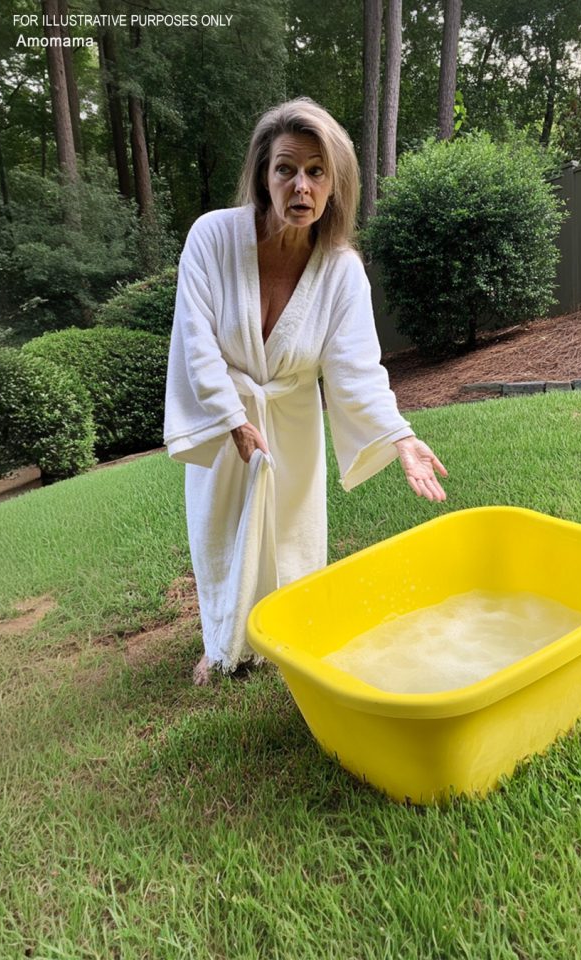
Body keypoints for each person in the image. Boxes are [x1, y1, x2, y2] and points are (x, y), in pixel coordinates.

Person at [164, 98, 448, 685]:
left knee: (291, 532)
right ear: (262, 175)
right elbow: (196, 339)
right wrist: (230, 418)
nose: (301, 186)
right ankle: (221, 643)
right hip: (228, 411)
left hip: (291, 417)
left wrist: (399, 436)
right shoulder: (212, 237)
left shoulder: (341, 269)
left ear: (335, 183)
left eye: (317, 172)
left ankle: (287, 635)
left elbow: (355, 367)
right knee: (221, 528)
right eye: (286, 169)